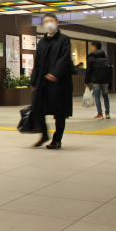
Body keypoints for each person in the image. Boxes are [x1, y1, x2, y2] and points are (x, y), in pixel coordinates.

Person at [30, 13, 72, 149]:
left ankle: (57, 139)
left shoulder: (64, 40)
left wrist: (55, 73)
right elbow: (37, 63)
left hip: (59, 82)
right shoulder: (42, 42)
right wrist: (33, 81)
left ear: (57, 23)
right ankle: (44, 134)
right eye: (46, 21)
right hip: (42, 81)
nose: (49, 23)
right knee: (37, 108)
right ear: (43, 25)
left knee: (59, 112)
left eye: (51, 21)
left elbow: (64, 58)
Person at [85, 41, 112, 119]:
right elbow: (110, 69)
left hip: (96, 80)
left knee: (97, 97)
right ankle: (107, 113)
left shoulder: (91, 57)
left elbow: (89, 70)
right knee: (106, 96)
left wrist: (87, 81)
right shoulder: (106, 56)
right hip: (105, 80)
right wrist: (110, 81)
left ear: (95, 47)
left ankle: (100, 114)